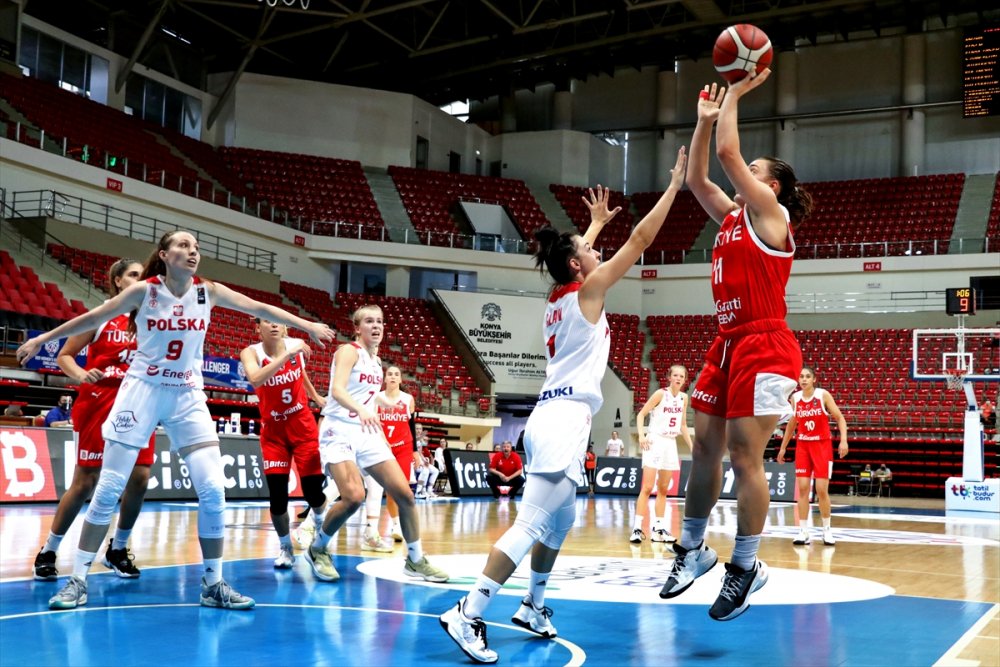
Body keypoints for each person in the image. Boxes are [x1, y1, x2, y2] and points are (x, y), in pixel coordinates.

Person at [440, 148, 687, 664]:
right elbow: (640, 240)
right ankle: (469, 611)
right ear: (579, 265)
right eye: (590, 250)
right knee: (531, 523)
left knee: (562, 520)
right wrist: (673, 189)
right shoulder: (588, 289)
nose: (597, 252)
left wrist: (592, 227)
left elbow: (574, 260)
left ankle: (532, 605)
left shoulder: (560, 295)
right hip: (563, 418)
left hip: (550, 416)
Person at [16, 230, 335, 611]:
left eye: (196, 247)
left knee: (214, 491)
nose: (192, 251)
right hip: (142, 392)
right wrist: (42, 340)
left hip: (186, 395)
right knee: (107, 487)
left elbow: (259, 308)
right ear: (164, 255)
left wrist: (308, 325)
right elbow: (94, 315)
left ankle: (213, 584)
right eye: (183, 246)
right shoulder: (144, 291)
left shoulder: (208, 291)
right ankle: (77, 580)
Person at [659, 73, 812, 622]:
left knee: (747, 458)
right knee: (702, 449)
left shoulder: (773, 217)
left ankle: (745, 567)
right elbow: (700, 176)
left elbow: (728, 152)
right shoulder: (730, 217)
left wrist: (735, 97)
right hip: (726, 342)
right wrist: (701, 121)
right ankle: (692, 549)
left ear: (771, 187)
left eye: (756, 172)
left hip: (766, 344)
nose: (747, 173)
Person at [303, 304, 448, 584]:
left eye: (380, 321)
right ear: (358, 328)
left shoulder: (377, 362)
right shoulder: (348, 351)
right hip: (339, 429)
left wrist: (378, 432)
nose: (376, 326)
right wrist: (362, 409)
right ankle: (318, 548)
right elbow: (337, 391)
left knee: (405, 495)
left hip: (366, 431)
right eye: (369, 321)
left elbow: (367, 403)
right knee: (354, 496)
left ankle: (415, 560)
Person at [33, 259, 155, 582]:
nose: (140, 280)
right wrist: (83, 375)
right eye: (133, 275)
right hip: (100, 402)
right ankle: (49, 549)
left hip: (139, 405)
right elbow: (64, 355)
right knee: (86, 481)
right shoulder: (102, 315)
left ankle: (118, 549)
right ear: (117, 282)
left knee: (140, 478)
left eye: (143, 276)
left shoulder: (151, 318)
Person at [239, 317, 330, 569]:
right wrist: (287, 354)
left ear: (286, 328)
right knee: (278, 498)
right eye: (267, 321)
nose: (274, 325)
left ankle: (319, 529)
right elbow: (256, 378)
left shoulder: (296, 347)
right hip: (274, 433)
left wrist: (314, 396)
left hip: (302, 427)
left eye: (279, 322)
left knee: (313, 491)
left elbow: (301, 372)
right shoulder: (251, 352)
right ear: (258, 328)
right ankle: (285, 547)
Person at [776, 366, 848, 546]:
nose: (804, 379)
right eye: (801, 377)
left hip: (822, 446)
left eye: (808, 376)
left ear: (814, 379)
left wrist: (844, 441)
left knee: (821, 490)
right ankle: (803, 531)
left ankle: (827, 530)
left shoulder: (822, 395)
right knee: (802, 489)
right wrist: (783, 448)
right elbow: (792, 424)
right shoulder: (795, 398)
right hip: (803, 446)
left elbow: (839, 417)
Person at [631, 364, 692, 544]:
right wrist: (641, 435)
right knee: (647, 487)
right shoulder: (660, 394)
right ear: (669, 377)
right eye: (675, 375)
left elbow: (682, 425)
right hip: (655, 440)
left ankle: (658, 529)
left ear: (685, 379)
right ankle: (637, 528)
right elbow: (641, 414)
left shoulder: (683, 398)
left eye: (681, 376)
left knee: (664, 489)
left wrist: (692, 446)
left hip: (670, 443)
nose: (678, 378)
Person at [376, 364, 418, 543]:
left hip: (403, 448)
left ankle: (403, 524)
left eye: (396, 375)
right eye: (390, 374)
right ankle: (396, 524)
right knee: (390, 490)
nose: (393, 377)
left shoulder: (408, 399)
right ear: (385, 378)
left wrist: (415, 451)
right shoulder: (376, 398)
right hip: (383, 447)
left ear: (401, 379)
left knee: (402, 488)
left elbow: (411, 425)